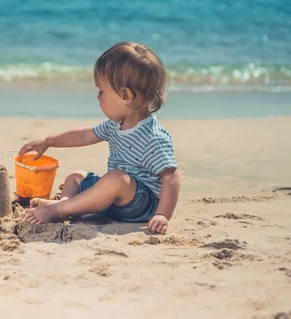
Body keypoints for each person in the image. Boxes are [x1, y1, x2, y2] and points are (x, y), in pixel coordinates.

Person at [18, 42, 180, 234]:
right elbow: (85, 135)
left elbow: (171, 178)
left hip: (140, 206)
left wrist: (162, 214)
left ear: (125, 95)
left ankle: (58, 209)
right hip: (114, 200)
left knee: (116, 178)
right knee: (76, 176)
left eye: (101, 92)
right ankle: (66, 204)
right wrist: (49, 141)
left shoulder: (152, 137)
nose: (98, 97)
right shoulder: (115, 124)